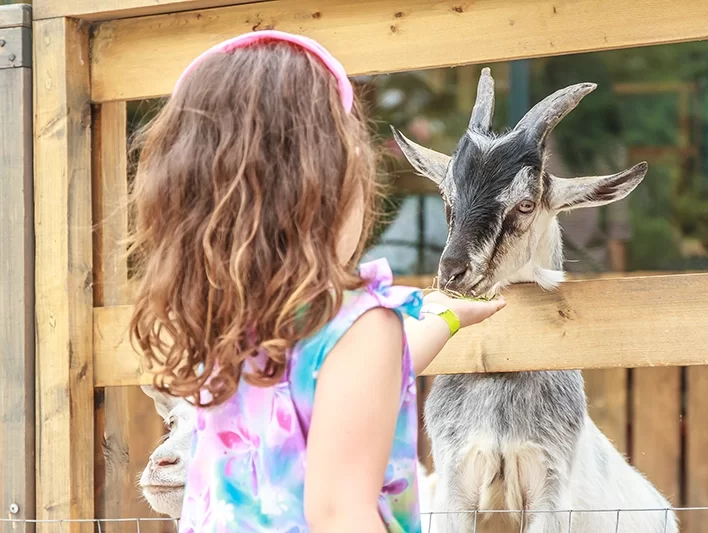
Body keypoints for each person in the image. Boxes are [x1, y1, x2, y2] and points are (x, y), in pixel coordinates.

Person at [128, 30, 506, 533]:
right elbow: (340, 516)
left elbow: (354, 379)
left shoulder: (226, 324)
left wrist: (448, 317)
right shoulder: (359, 330)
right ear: (324, 191)